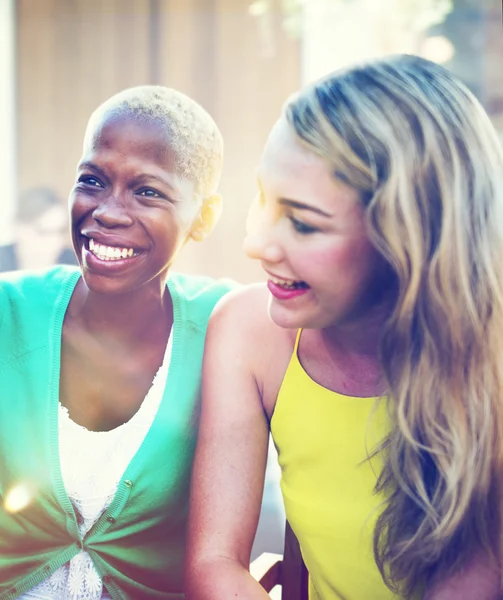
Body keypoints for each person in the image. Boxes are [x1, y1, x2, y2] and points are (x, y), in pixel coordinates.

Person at [184, 54, 503, 600]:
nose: (255, 244)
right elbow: (214, 562)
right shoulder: (246, 331)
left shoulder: (489, 367)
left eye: (304, 223)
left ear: (407, 234)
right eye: (265, 199)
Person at [0, 85, 234, 599]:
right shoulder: (7, 311)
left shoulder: (228, 329)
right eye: (92, 180)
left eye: (147, 191)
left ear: (205, 216)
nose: (106, 211)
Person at [14, 186, 79, 269]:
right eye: (44, 232)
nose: (56, 242)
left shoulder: (76, 265)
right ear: (19, 228)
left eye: (60, 231)